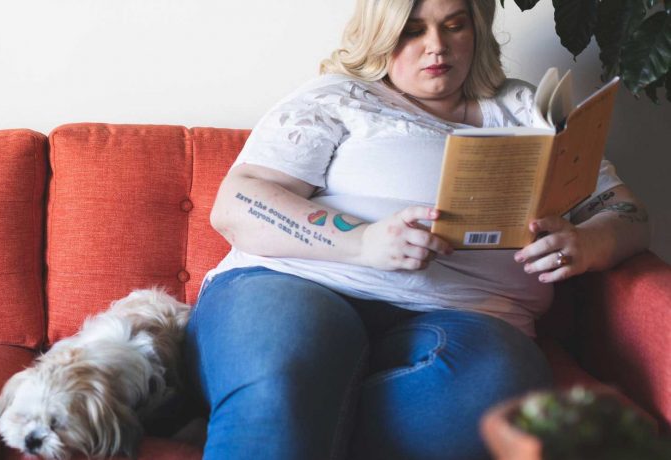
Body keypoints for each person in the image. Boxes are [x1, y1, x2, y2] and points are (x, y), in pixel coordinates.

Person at [184, 0, 652, 458]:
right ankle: (278, 407)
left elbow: (627, 213)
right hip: (298, 283)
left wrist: (586, 242)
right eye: (413, 30)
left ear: (478, 31)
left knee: (487, 391)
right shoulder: (337, 97)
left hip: (471, 317)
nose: (437, 47)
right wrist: (361, 241)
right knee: (287, 367)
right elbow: (238, 203)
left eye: (455, 25)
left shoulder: (526, 109)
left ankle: (287, 417)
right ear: (381, 34)